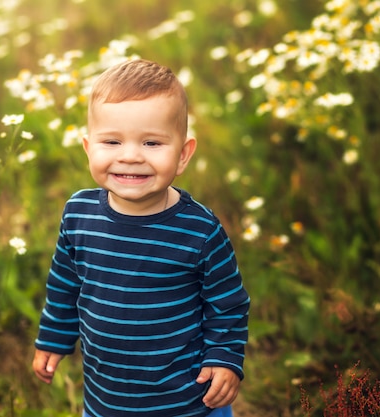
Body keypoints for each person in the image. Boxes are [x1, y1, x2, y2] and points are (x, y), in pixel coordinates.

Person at [32, 58, 250, 417]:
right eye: (112, 141)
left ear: (182, 155)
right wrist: (54, 337)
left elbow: (228, 304)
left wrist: (224, 359)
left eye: (151, 143)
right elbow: (65, 285)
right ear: (89, 148)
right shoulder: (78, 215)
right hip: (107, 399)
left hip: (186, 402)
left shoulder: (199, 230)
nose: (130, 156)